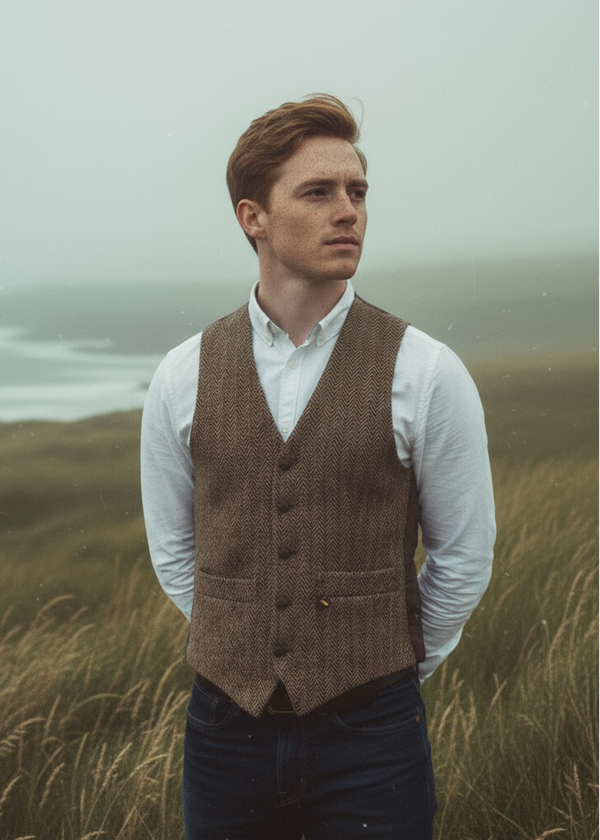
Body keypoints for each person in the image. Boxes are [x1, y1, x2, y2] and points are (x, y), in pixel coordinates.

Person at [140, 94, 495, 840]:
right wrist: (240, 644)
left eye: (357, 192)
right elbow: (175, 549)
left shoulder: (426, 371)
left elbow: (463, 556)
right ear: (253, 218)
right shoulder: (182, 375)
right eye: (317, 192)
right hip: (223, 732)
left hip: (374, 735)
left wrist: (386, 668)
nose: (348, 212)